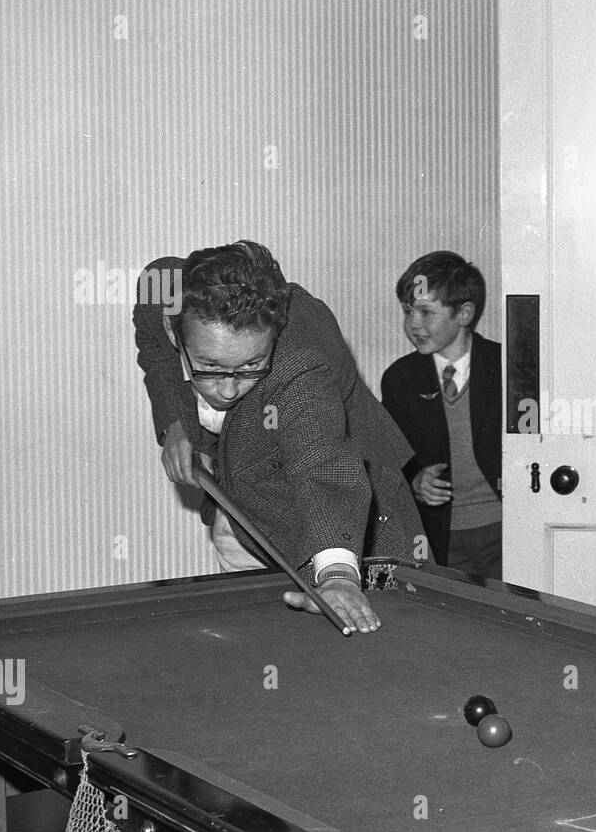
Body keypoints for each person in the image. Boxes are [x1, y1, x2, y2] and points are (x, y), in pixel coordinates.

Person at [133, 240, 422, 635]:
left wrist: (337, 574)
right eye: (209, 367)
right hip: (245, 508)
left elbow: (322, 464)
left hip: (359, 516)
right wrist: (175, 424)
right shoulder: (165, 291)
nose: (229, 391)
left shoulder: (302, 365)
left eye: (252, 364)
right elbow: (154, 343)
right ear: (174, 328)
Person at [380, 252, 502, 579]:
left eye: (426, 312)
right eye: (408, 311)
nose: (413, 324)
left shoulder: (504, 368)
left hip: (504, 530)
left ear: (463, 313)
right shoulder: (400, 379)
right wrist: (415, 479)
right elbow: (388, 457)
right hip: (438, 537)